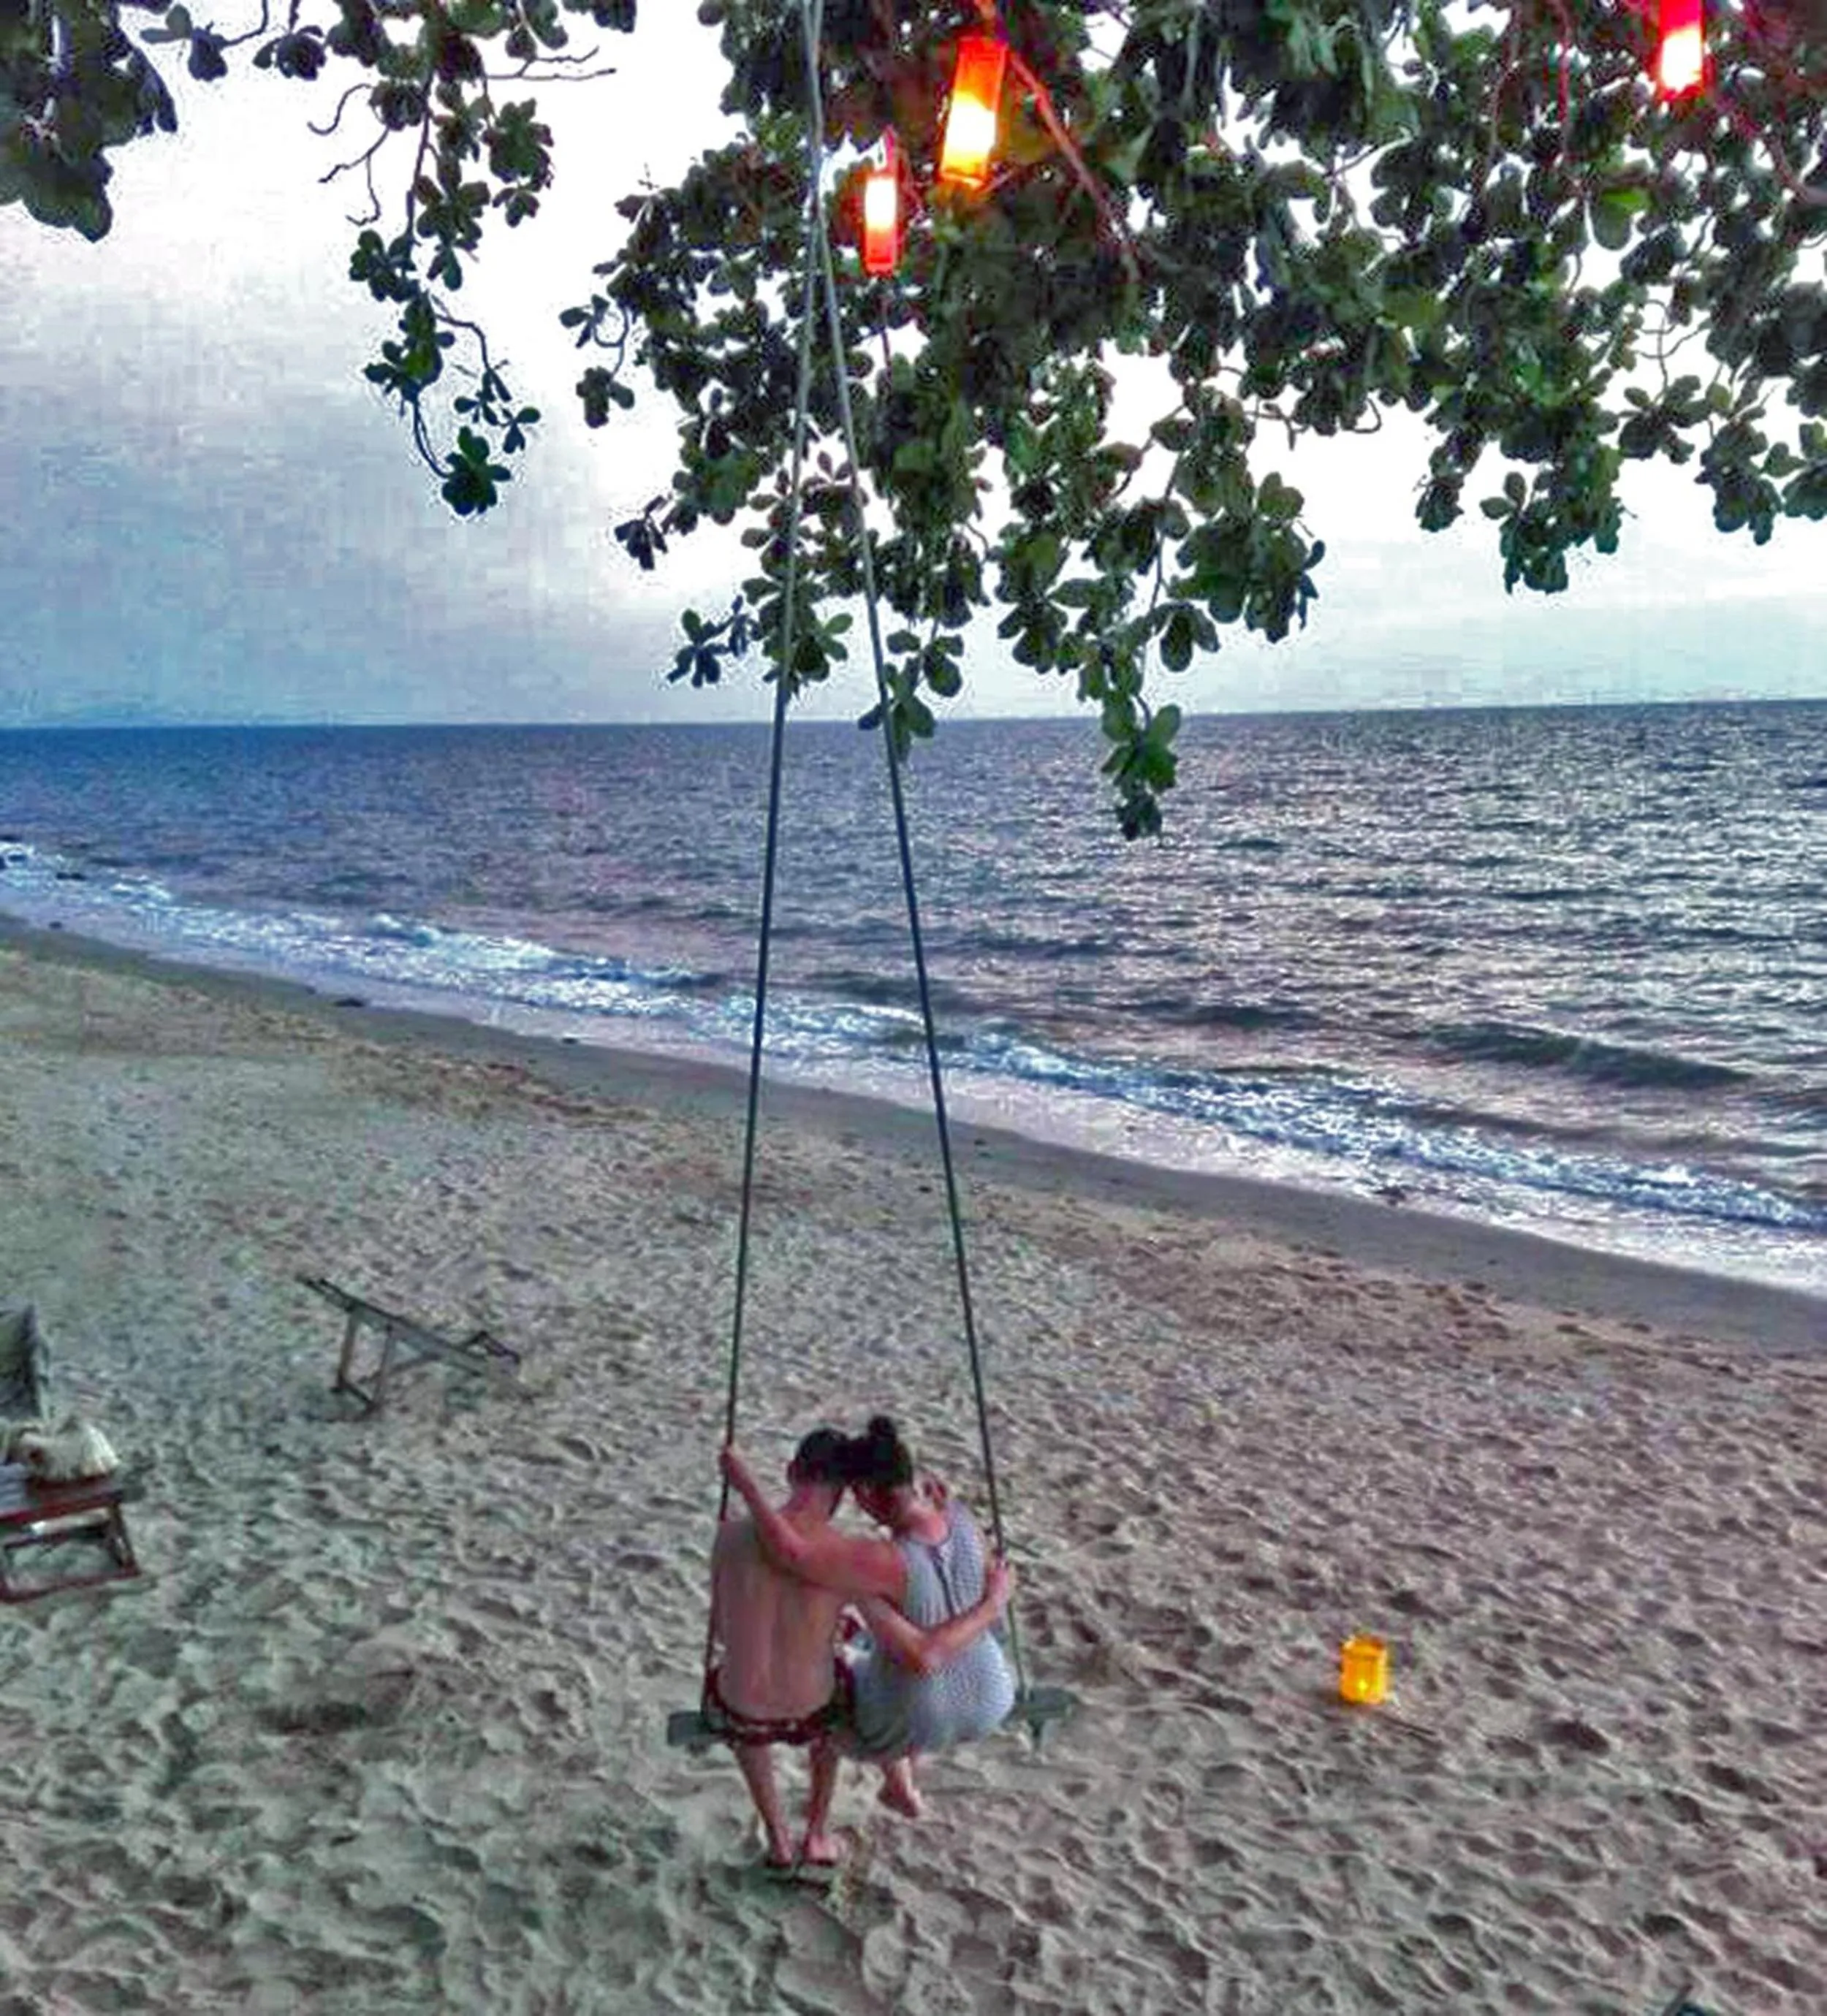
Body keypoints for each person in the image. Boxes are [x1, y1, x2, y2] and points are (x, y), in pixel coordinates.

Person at [721, 1415, 1017, 1856]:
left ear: (861, 1495)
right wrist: (993, 1602)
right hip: (995, 1694)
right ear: (915, 1480)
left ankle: (802, 1832)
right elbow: (977, 1577)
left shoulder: (874, 1559)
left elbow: (791, 1552)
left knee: (842, 1695)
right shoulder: (960, 1516)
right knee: (864, 1648)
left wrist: (746, 1488)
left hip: (924, 1709)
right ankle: (892, 1790)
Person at [707, 1426, 856, 1869]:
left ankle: (777, 1838)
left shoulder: (729, 1536)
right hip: (813, 1705)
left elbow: (719, 1631)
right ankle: (816, 1833)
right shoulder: (842, 1550)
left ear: (792, 1472)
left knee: (736, 1695)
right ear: (842, 1493)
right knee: (841, 1697)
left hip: (744, 1706)